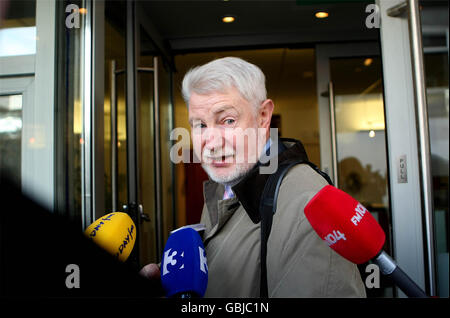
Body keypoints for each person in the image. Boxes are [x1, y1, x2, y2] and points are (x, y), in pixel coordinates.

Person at [141, 57, 366, 297]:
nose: (211, 143)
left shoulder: (307, 204)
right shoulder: (224, 187)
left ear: (263, 117)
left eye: (227, 120)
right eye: (200, 125)